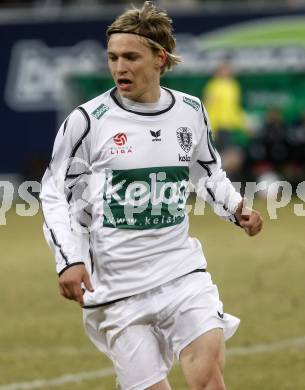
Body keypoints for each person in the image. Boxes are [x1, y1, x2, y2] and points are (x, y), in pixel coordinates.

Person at [40, 2, 263, 389]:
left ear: (160, 58)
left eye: (131, 57)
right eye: (112, 57)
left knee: (209, 378)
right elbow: (54, 193)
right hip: (116, 286)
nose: (119, 67)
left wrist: (235, 207)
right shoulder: (88, 120)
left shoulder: (190, 110)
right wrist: (69, 260)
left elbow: (207, 171)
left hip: (181, 272)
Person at [203, 61, 248, 181]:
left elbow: (235, 107)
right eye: (223, 69)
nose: (226, 72)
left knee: (232, 158)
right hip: (218, 127)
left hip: (231, 127)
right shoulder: (213, 86)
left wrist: (243, 124)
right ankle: (215, 184)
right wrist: (210, 126)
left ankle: (226, 184)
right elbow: (209, 107)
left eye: (227, 69)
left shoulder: (234, 86)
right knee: (221, 157)